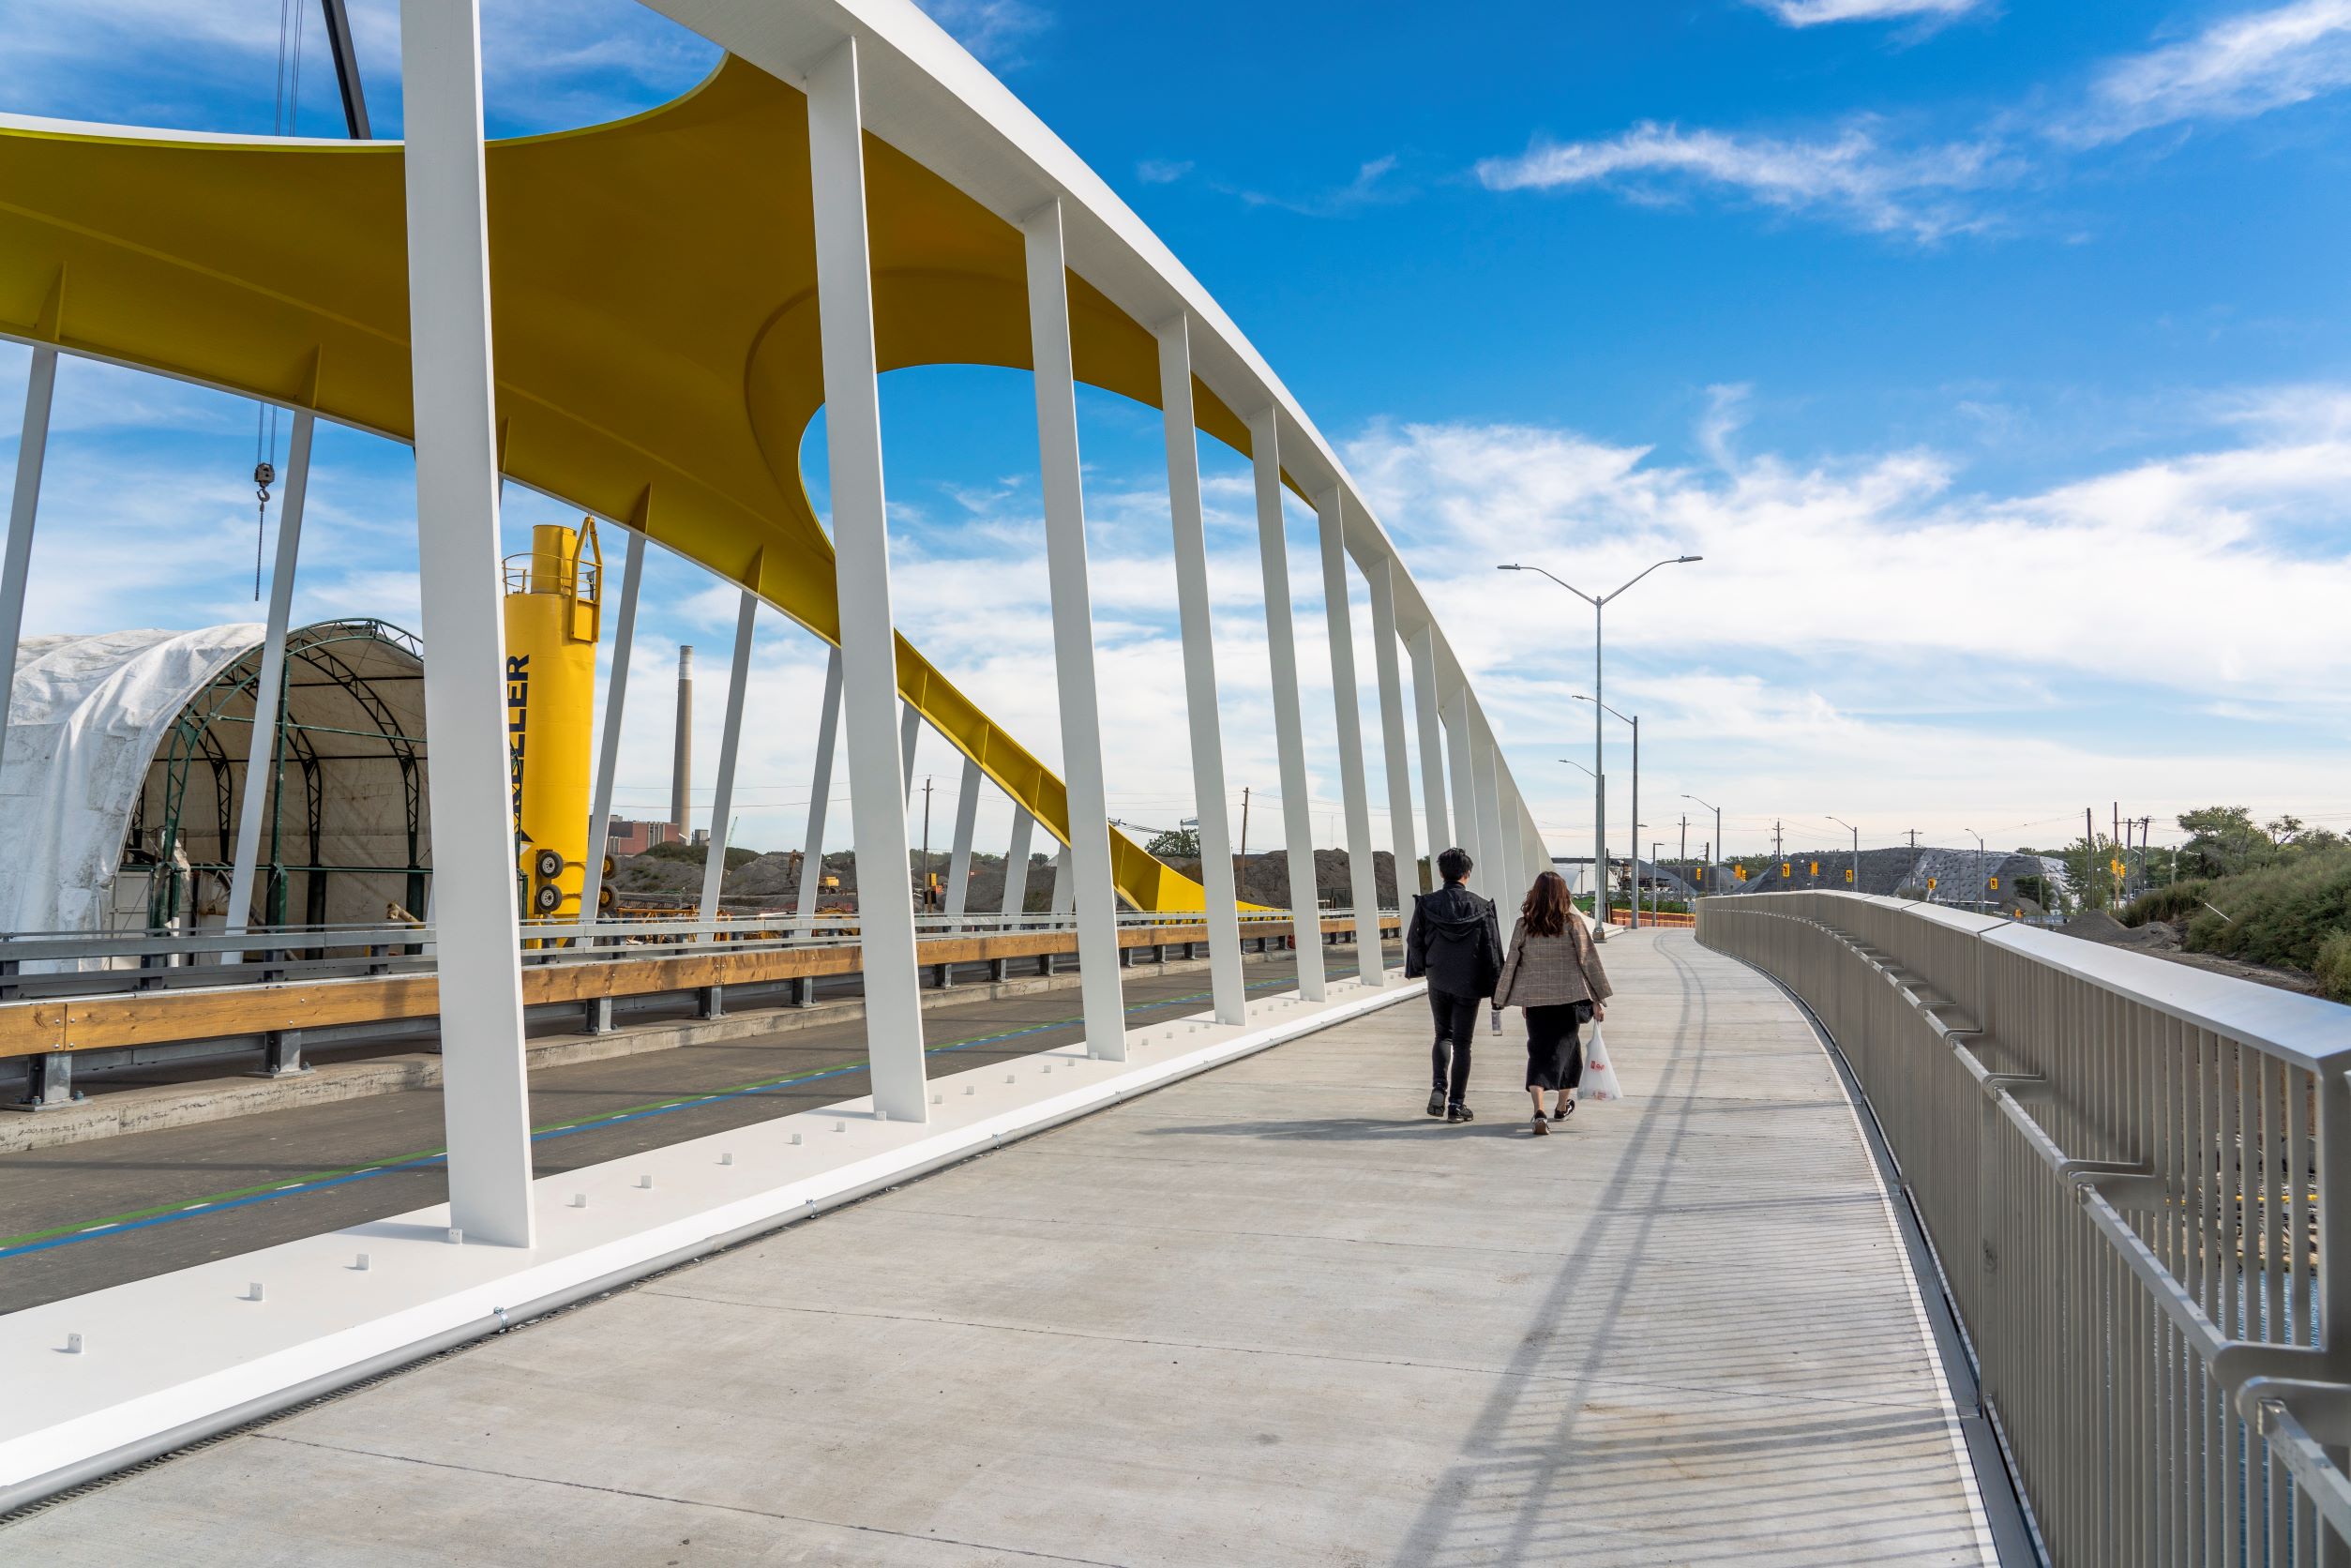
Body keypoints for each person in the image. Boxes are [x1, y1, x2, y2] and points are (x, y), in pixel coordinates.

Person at [1495, 869, 1612, 1137]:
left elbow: (1513, 963)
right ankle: (1561, 1108)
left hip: (1536, 1003)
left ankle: (1539, 1111)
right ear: (1563, 896)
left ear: (1535, 894)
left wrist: (1502, 998)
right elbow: (1589, 962)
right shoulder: (1573, 923)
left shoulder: (1523, 925)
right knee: (1567, 1054)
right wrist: (1598, 999)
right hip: (1570, 1000)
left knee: (1538, 1053)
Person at [1404, 847, 1503, 1123]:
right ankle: (1457, 1105)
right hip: (1470, 982)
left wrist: (1425, 965)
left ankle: (1438, 1088)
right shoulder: (1482, 906)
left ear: (1440, 872)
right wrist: (1497, 987)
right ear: (1467, 874)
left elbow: (1414, 940)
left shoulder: (1426, 904)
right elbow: (1492, 948)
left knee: (1442, 1035)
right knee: (1463, 1043)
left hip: (1438, 978)